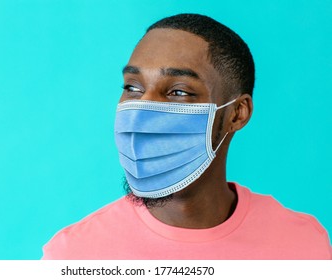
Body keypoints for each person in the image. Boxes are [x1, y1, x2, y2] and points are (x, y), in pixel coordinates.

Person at [42, 14, 331, 259]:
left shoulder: (305, 247)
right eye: (132, 87)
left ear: (237, 113)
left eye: (178, 92)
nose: (144, 111)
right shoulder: (74, 255)